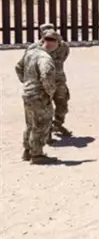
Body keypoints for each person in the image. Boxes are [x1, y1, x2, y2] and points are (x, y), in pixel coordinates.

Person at [20, 23, 72, 141]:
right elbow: (23, 65)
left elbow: (63, 58)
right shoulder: (34, 48)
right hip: (41, 84)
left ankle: (57, 124)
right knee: (44, 111)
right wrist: (28, 81)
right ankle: (46, 134)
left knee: (63, 105)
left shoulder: (63, 46)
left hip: (59, 81)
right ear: (41, 34)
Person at [15, 29, 60, 164]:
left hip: (28, 93)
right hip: (39, 95)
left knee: (30, 123)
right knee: (42, 123)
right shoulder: (45, 58)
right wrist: (50, 92)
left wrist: (27, 82)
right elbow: (46, 76)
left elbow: (18, 67)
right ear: (55, 43)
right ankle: (37, 154)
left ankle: (27, 151)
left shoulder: (31, 53)